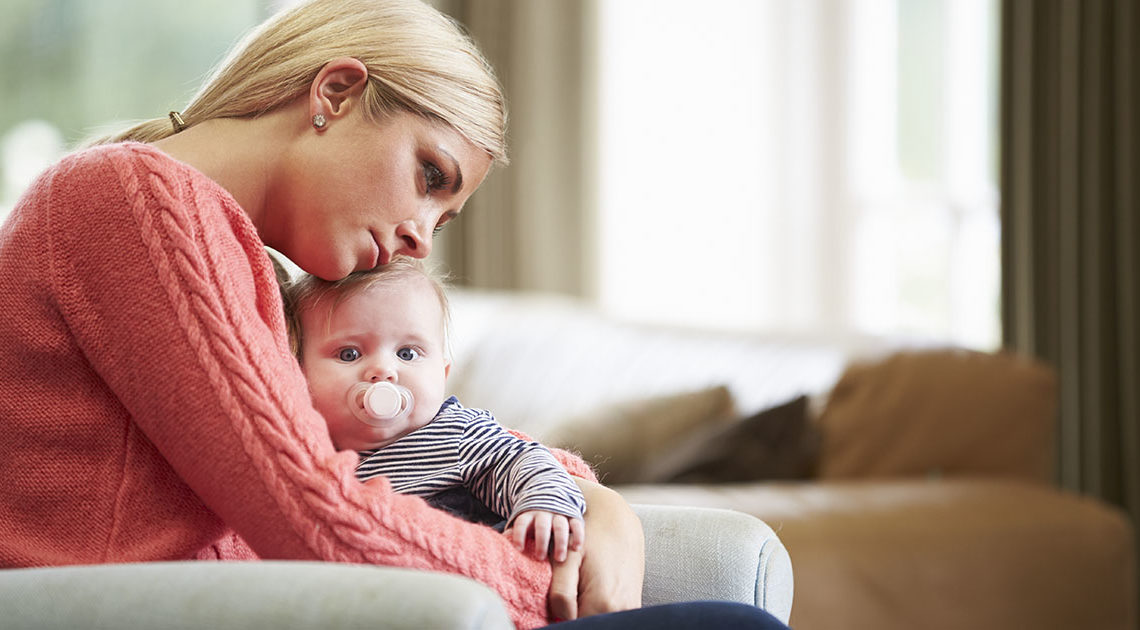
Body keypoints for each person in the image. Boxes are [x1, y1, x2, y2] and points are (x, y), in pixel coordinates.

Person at [0, 0, 790, 627]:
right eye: (429, 174)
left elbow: (421, 437)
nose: (419, 236)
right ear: (336, 93)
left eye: (443, 219)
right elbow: (316, 518)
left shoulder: (237, 260)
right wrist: (544, 574)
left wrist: (588, 500)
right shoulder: (129, 202)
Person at [283, 257, 585, 561]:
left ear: (442, 374)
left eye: (407, 353)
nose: (383, 370)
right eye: (349, 354)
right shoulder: (307, 451)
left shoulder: (457, 433)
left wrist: (542, 503)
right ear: (299, 371)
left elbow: (522, 459)